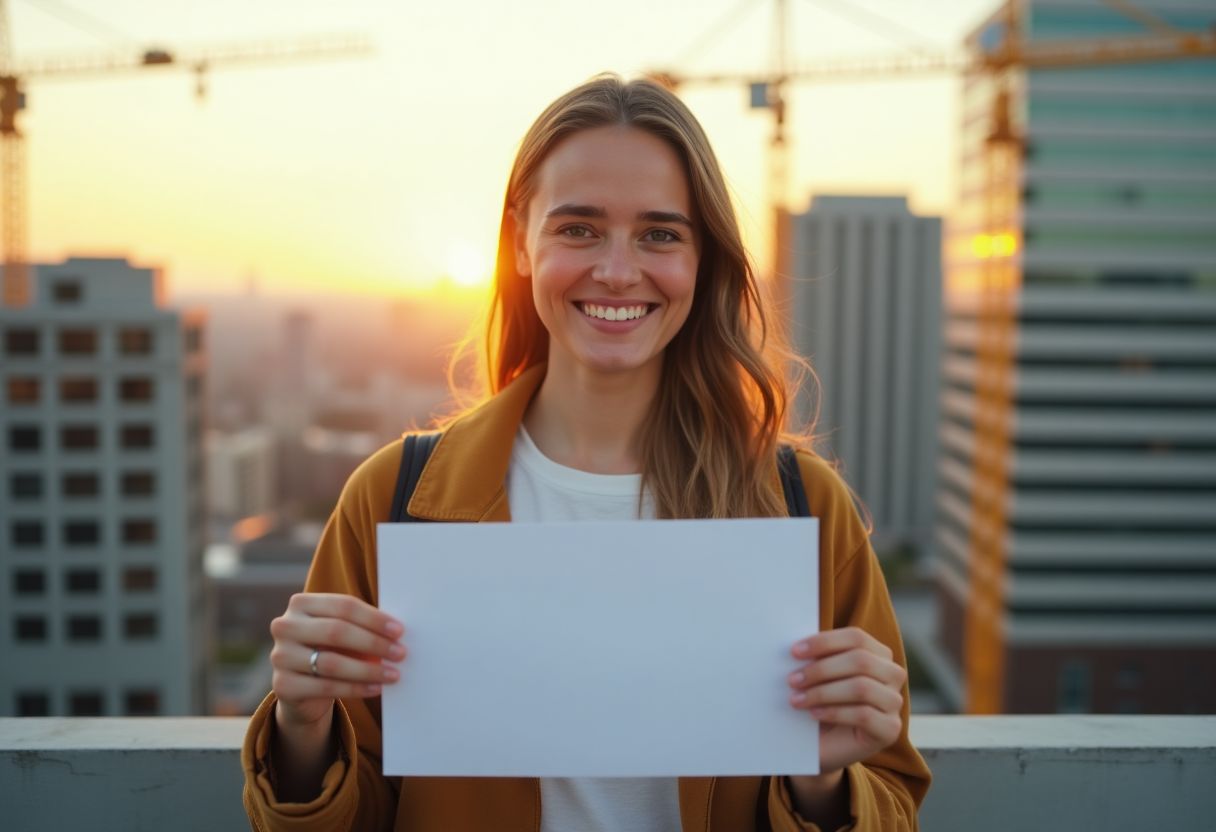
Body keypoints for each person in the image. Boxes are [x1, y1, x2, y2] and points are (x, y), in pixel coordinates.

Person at [241, 74, 931, 831]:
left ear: (703, 261)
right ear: (519, 243)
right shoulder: (395, 500)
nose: (616, 270)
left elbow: (892, 799)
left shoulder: (804, 506)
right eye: (579, 228)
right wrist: (300, 730)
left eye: (661, 234)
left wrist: (825, 781)